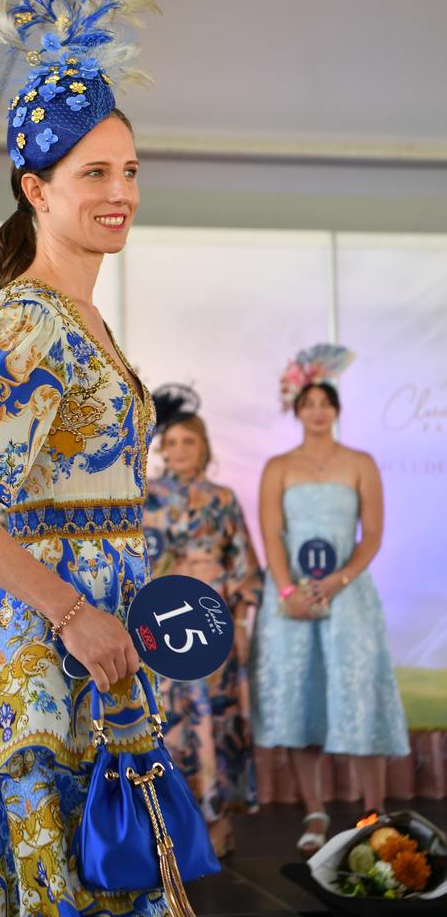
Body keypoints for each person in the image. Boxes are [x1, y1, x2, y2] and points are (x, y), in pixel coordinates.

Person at [0, 0, 170, 917]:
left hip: (99, 650)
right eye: (93, 170)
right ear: (35, 186)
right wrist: (72, 611)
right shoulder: (29, 318)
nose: (119, 192)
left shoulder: (84, 317)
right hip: (48, 654)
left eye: (130, 169)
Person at [249, 345, 409, 857]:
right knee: (301, 699)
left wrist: (338, 581)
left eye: (325, 402)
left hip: (348, 594)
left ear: (336, 410)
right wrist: (290, 591)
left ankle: (374, 811)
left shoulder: (360, 462)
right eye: (308, 402)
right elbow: (271, 534)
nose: (317, 410)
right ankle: (314, 809)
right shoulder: (278, 466)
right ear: (297, 410)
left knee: (359, 693)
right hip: (292, 598)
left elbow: (374, 535)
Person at [143, 384, 262, 858]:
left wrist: (243, 618)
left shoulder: (222, 498)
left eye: (187, 442)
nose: (178, 451)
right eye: (169, 443)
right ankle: (171, 821)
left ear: (205, 446)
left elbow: (244, 565)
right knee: (168, 720)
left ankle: (219, 822)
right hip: (163, 618)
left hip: (212, 620)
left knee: (214, 714)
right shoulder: (144, 498)